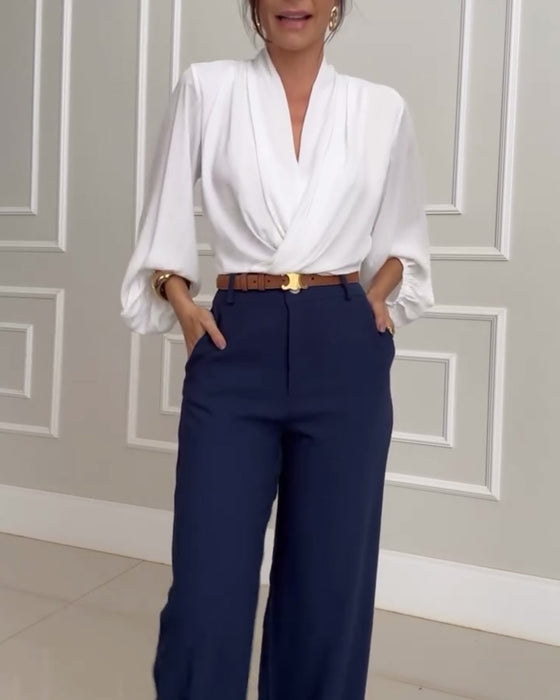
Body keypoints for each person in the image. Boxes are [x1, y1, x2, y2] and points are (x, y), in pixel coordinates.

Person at [120, 1, 434, 698]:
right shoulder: (207, 88)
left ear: (335, 5)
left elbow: (404, 239)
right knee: (207, 588)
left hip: (343, 348)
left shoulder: (381, 108)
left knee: (328, 589)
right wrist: (180, 300)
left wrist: (371, 299)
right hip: (238, 341)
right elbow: (164, 217)